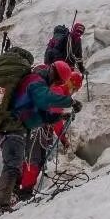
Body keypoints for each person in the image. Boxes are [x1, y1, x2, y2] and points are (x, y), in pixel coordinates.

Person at [0, 58, 78, 216]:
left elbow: (44, 116)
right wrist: (68, 101)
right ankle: (1, 205)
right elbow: (44, 99)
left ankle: (9, 199)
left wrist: (62, 116)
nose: (56, 85)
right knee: (13, 165)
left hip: (17, 127)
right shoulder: (35, 81)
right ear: (56, 76)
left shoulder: (38, 82)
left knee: (16, 164)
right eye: (58, 81)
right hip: (12, 125)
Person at [18, 61, 82, 198]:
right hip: (39, 129)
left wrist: (62, 116)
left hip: (36, 127)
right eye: (75, 89)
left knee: (32, 160)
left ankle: (20, 189)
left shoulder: (57, 91)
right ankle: (24, 192)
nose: (73, 92)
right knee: (34, 161)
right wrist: (63, 139)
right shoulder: (59, 92)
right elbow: (54, 119)